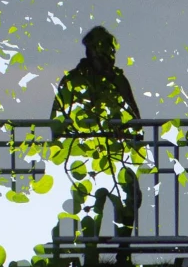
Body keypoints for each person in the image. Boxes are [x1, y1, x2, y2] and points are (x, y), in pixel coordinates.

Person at [52, 26, 144, 242]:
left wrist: (125, 129)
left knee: (130, 202)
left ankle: (123, 255)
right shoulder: (73, 80)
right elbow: (56, 122)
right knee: (90, 209)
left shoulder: (118, 80)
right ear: (93, 50)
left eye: (111, 50)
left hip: (119, 154)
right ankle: (90, 259)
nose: (109, 55)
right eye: (104, 49)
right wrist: (77, 132)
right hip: (84, 158)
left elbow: (135, 119)